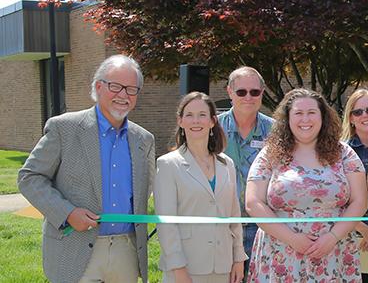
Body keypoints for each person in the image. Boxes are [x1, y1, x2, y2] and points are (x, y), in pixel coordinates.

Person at [18, 54, 155, 282]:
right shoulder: (64, 128)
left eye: (132, 89)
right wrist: (67, 213)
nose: (123, 95)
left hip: (127, 251)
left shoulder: (144, 140)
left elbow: (145, 189)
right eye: (115, 86)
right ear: (99, 87)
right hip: (74, 248)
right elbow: (29, 177)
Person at [244, 88, 368, 282]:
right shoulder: (270, 154)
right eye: (298, 113)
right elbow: (253, 203)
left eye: (312, 113)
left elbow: (360, 201)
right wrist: (291, 239)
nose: (305, 119)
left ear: (323, 117)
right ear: (287, 118)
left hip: (334, 252)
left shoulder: (344, 153)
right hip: (280, 252)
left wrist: (333, 237)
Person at [154, 92, 248, 283]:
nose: (196, 120)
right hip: (186, 267)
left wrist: (238, 258)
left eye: (202, 115)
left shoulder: (227, 164)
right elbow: (166, 224)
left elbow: (234, 216)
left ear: (213, 121)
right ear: (180, 121)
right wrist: (178, 269)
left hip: (223, 266)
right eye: (189, 115)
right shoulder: (167, 165)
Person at [219, 66, 275, 268]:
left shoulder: (276, 131)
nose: (248, 97)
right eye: (241, 92)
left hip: (263, 227)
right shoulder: (211, 129)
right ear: (229, 92)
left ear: (262, 92)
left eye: (255, 92)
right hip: (221, 226)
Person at [341, 89, 368, 283]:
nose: (365, 115)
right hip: (350, 238)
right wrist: (366, 230)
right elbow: (335, 199)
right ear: (351, 118)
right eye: (358, 112)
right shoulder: (340, 152)